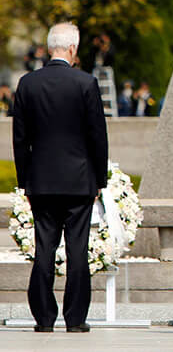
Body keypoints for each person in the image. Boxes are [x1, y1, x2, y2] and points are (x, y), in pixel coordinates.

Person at [12, 23, 108, 333]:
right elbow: (97, 136)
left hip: (41, 181)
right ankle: (75, 317)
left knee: (45, 248)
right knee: (77, 250)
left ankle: (43, 317)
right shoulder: (86, 83)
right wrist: (99, 179)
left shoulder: (27, 84)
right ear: (72, 49)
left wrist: (25, 180)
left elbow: (19, 139)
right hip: (79, 180)